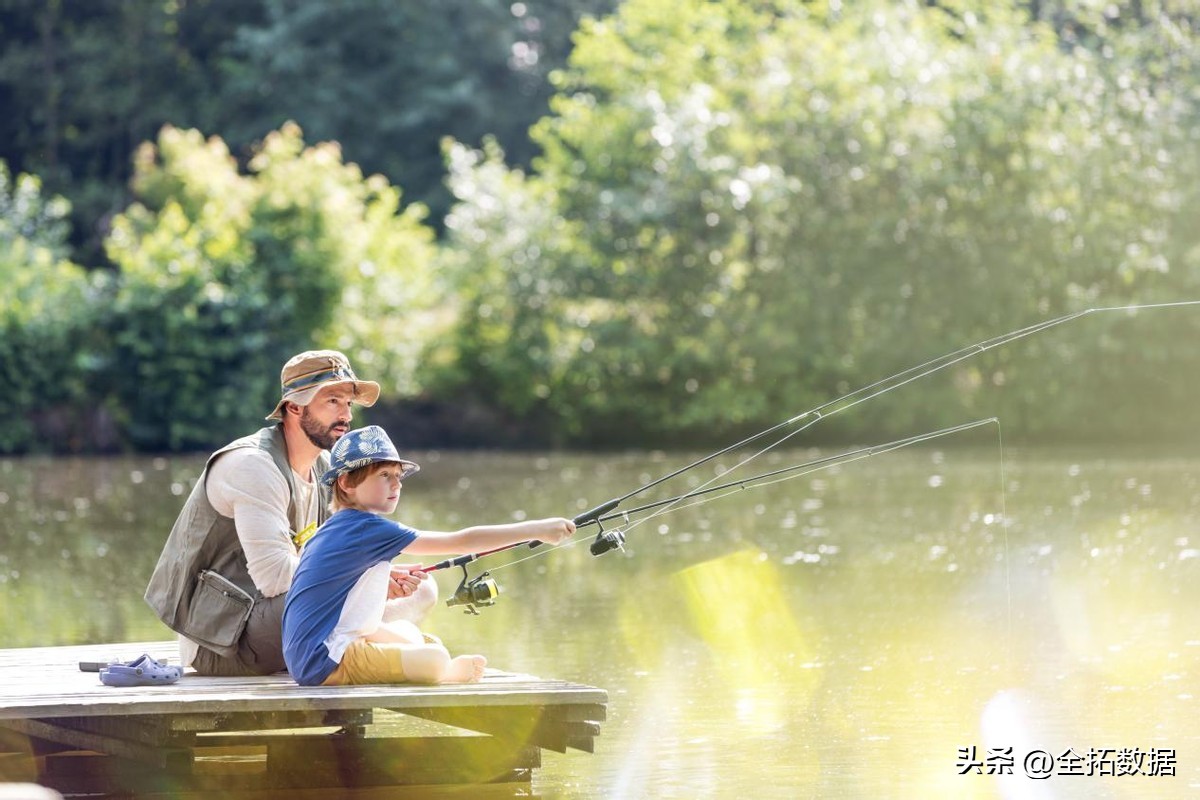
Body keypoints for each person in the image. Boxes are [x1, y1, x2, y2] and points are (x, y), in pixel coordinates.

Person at [144, 350, 436, 676]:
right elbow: (275, 578)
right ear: (294, 407)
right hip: (224, 642)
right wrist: (362, 576)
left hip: (287, 618)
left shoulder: (326, 469)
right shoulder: (253, 466)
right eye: (332, 401)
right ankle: (380, 650)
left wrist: (379, 573)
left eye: (348, 403)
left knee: (423, 590)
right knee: (361, 588)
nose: (346, 415)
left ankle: (369, 648)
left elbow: (333, 555)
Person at [283, 426, 576, 686]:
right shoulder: (366, 527)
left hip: (315, 652)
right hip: (325, 661)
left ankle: (432, 662)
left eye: (398, 476)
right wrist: (536, 529)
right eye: (384, 475)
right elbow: (461, 541)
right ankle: (445, 672)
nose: (396, 484)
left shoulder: (340, 525)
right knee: (434, 657)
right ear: (346, 483)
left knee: (410, 634)